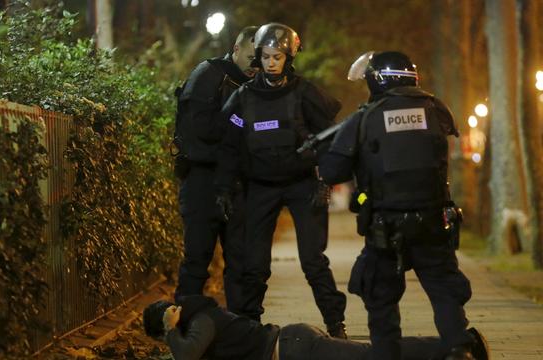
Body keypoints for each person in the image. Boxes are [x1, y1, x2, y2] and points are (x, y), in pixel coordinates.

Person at [318, 51, 476, 360]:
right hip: (434, 220)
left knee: (380, 296)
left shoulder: (365, 117)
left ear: (375, 81)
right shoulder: (436, 109)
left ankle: (386, 354)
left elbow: (333, 171)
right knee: (445, 290)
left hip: (385, 226)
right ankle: (459, 349)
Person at [215, 22, 347, 337]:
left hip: (302, 184)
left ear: (289, 57)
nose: (272, 62)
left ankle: (335, 323)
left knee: (313, 261)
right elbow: (229, 145)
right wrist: (224, 188)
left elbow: (330, 139)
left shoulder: (305, 93)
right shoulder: (243, 98)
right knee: (255, 264)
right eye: (266, 56)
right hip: (260, 186)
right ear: (258, 57)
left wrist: (325, 181)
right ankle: (249, 327)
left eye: (278, 56)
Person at [173, 26, 258, 313]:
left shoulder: (259, 83)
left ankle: (245, 333)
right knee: (197, 260)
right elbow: (198, 128)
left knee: (242, 264)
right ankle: (184, 332)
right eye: (250, 57)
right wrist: (236, 132)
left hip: (239, 184)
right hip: (203, 180)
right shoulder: (209, 74)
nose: (254, 65)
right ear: (236, 50)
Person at [142, 296, 489, 360]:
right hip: (294, 345)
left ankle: (459, 344)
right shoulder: (201, 320)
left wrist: (172, 331)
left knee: (374, 354)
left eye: (161, 338)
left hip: (295, 346)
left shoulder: (200, 321)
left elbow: (186, 355)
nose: (165, 344)